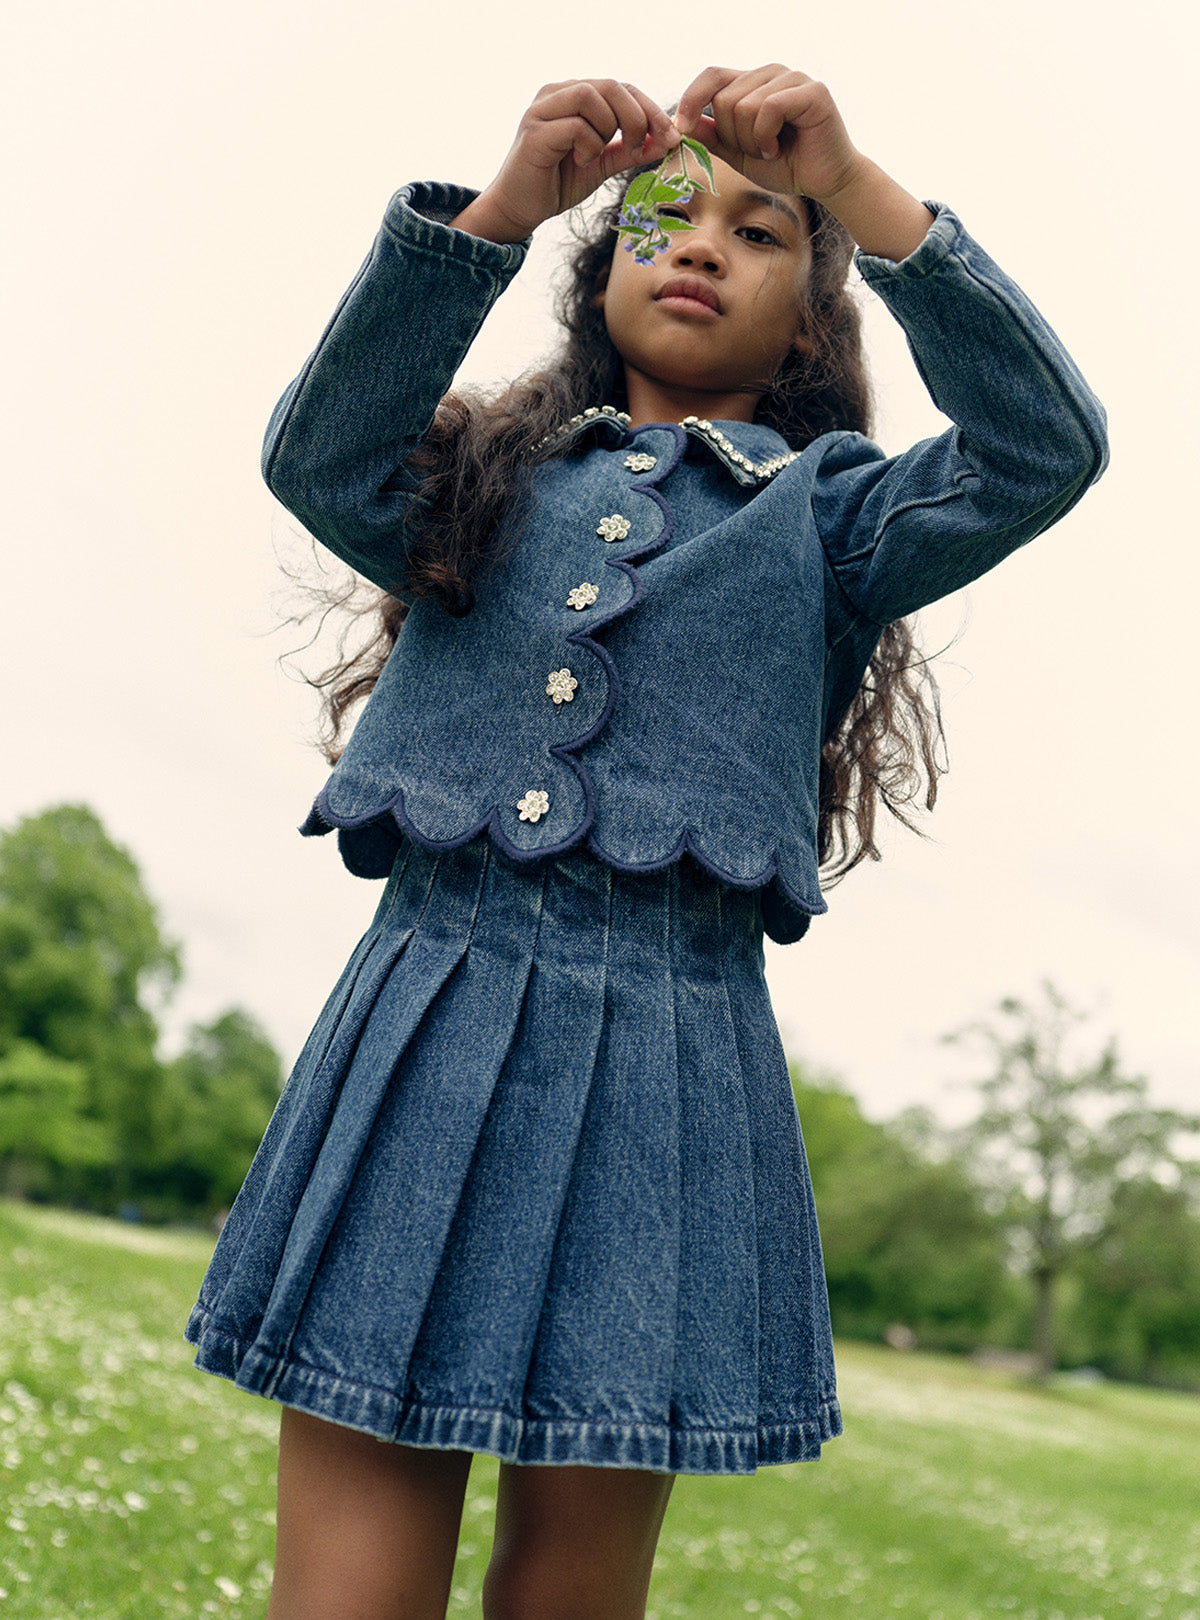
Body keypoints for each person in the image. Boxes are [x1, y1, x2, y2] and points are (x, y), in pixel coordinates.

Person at [186, 65, 1107, 1620]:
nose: (701, 243)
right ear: (599, 271)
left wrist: (860, 191)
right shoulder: (470, 481)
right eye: (663, 218)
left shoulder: (839, 523)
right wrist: (495, 216)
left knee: (571, 1594)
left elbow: (1043, 450)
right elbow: (315, 456)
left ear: (810, 322)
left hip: (669, 1074)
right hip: (426, 1015)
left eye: (759, 234)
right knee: (345, 1590)